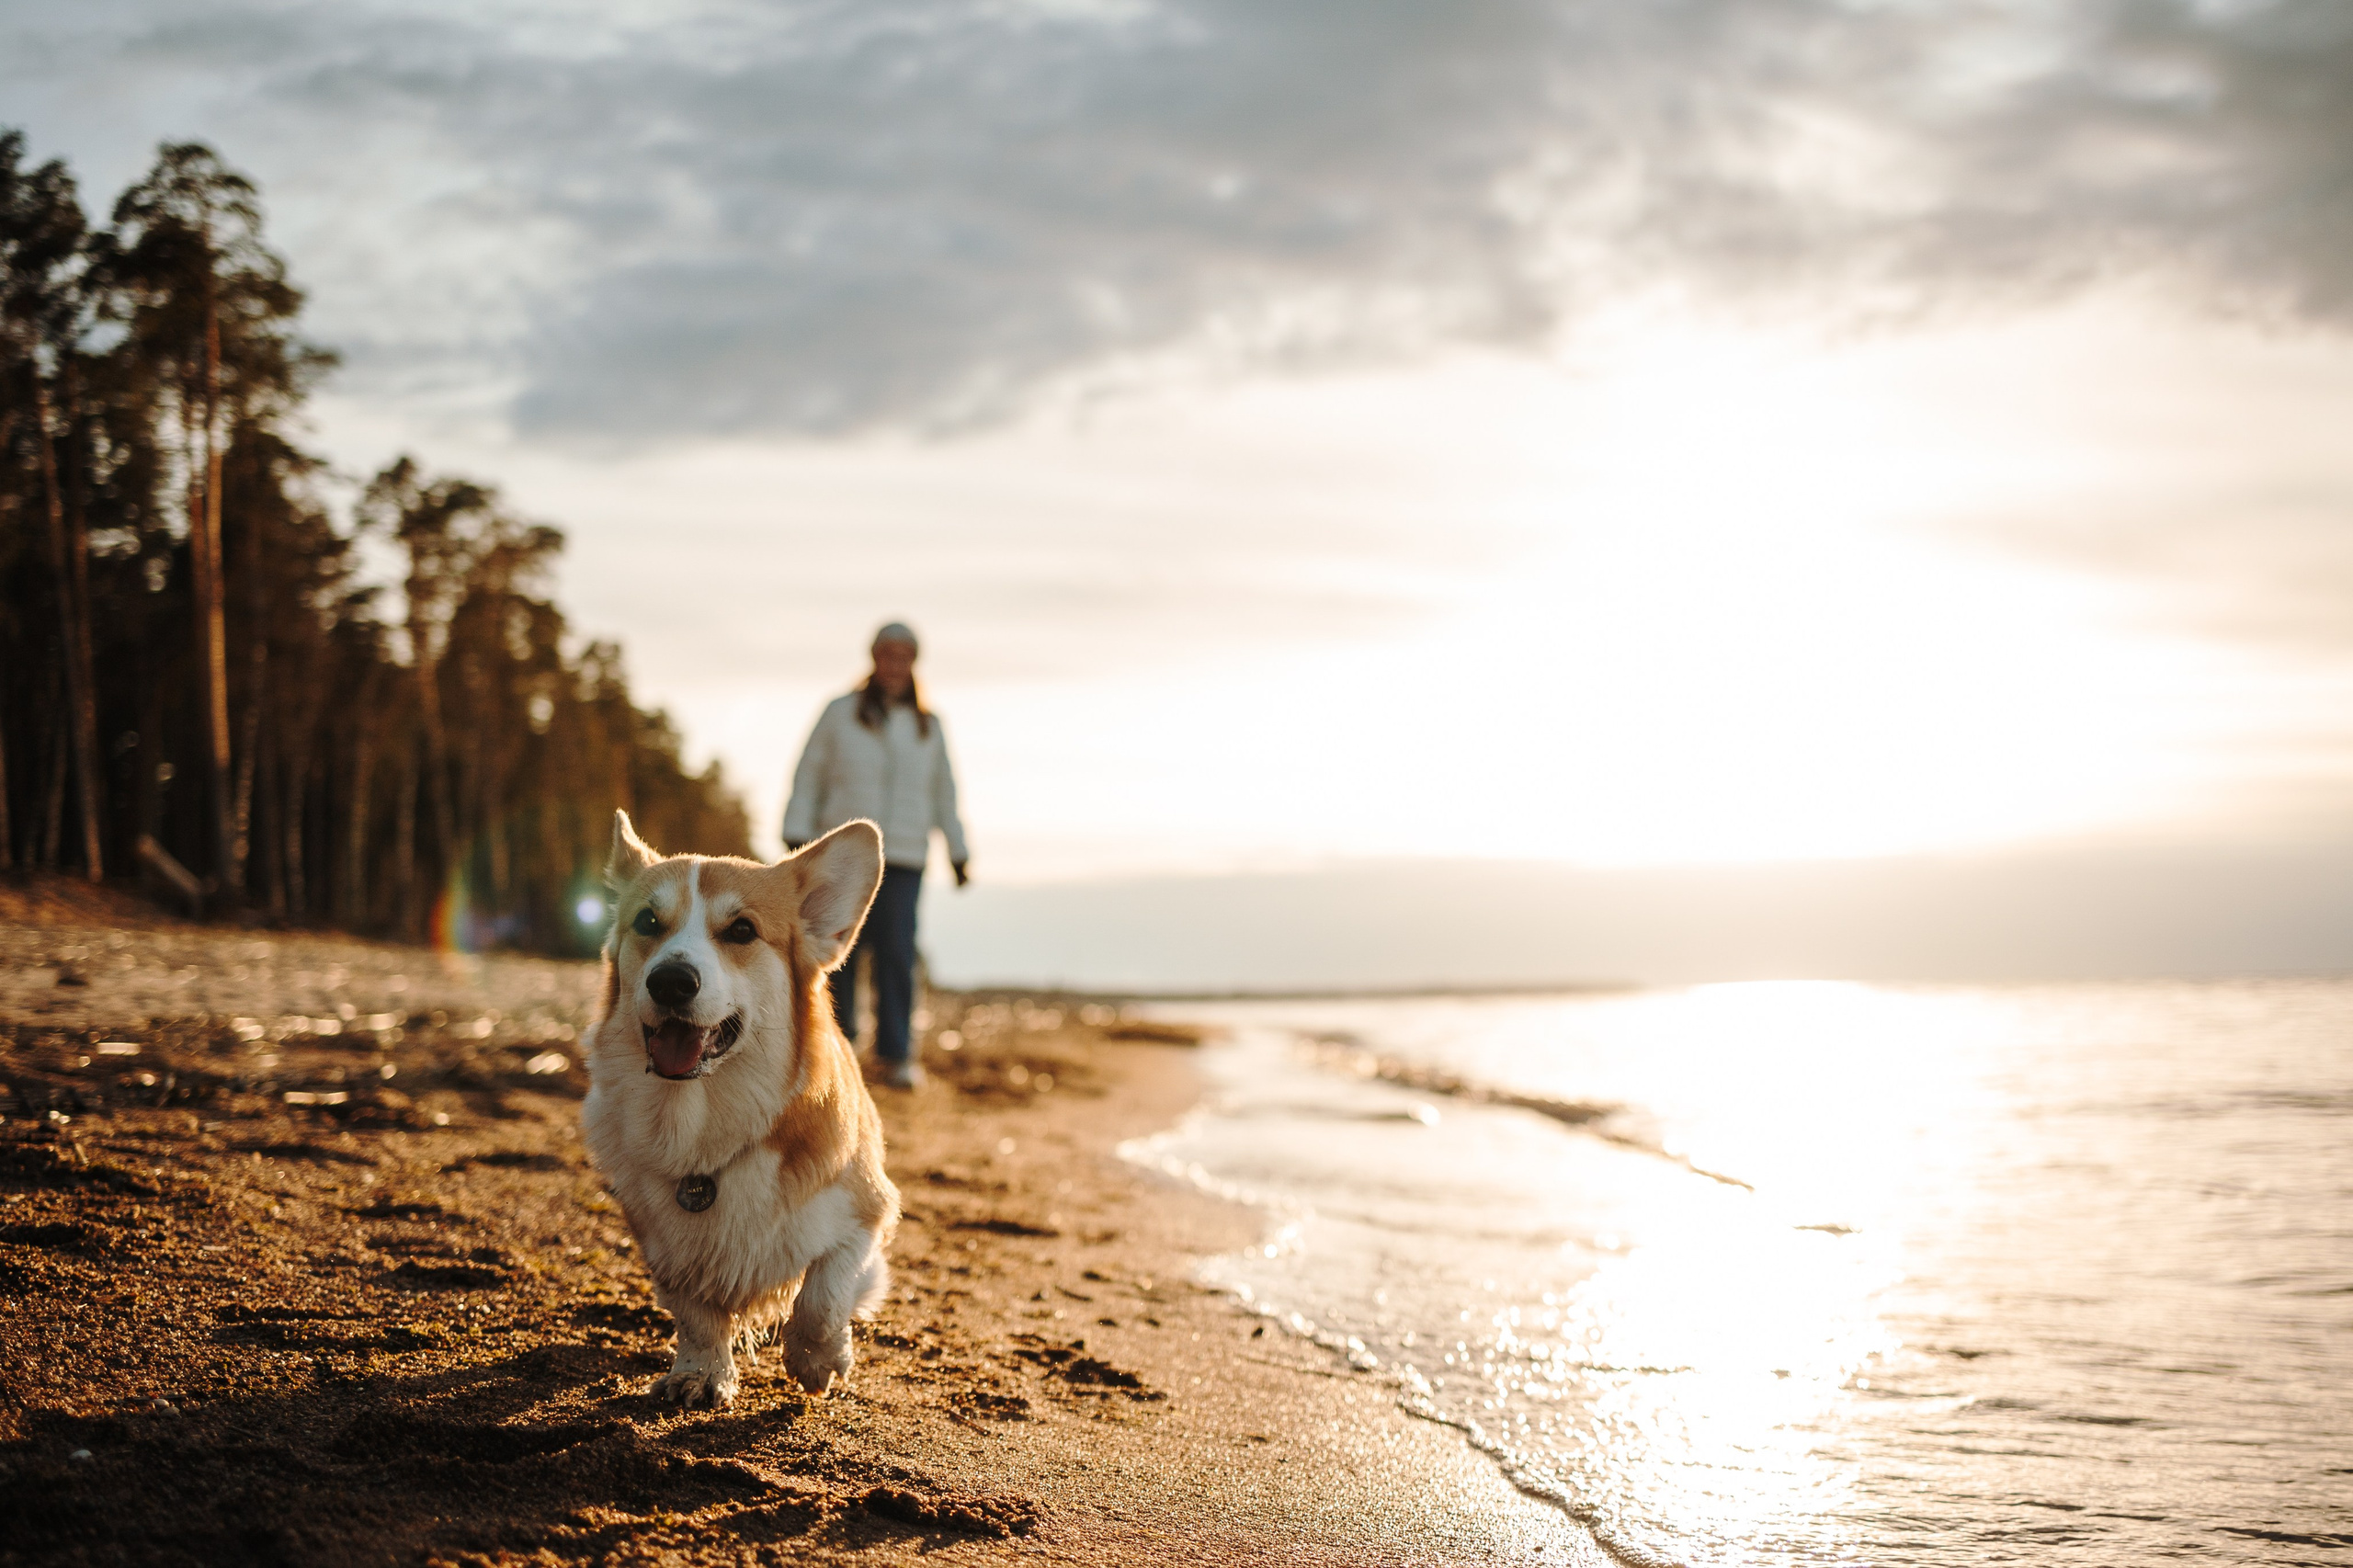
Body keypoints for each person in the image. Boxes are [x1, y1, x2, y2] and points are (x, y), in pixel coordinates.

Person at [782, 622, 969, 1088]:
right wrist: (796, 828)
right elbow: (810, 772)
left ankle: (895, 1054)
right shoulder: (840, 713)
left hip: (905, 856)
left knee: (898, 952)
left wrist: (959, 851)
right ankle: (837, 1046)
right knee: (838, 949)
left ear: (913, 662)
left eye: (904, 656)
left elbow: (945, 793)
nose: (895, 664)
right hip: (842, 854)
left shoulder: (930, 726)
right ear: (874, 657)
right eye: (887, 654)